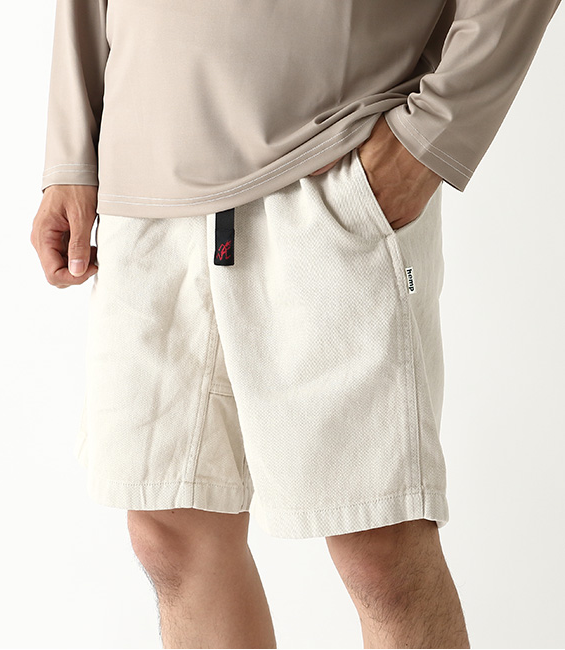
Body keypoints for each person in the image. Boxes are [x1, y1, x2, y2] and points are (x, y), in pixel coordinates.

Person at [30, 1, 561, 647]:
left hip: (329, 159)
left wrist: (431, 139)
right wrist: (70, 156)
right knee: (171, 533)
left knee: (380, 548)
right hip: (144, 181)